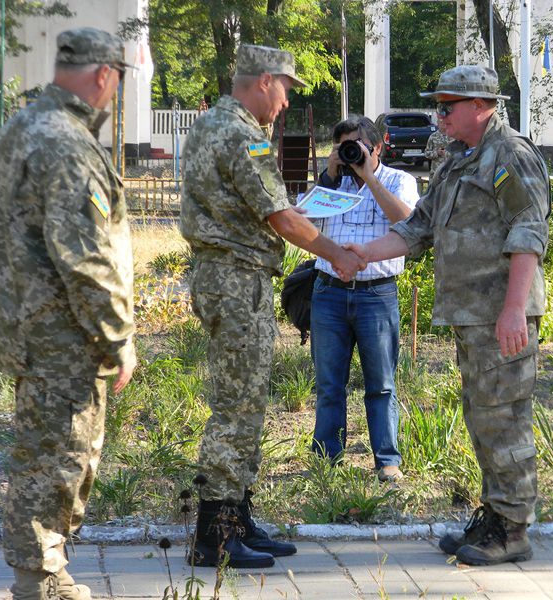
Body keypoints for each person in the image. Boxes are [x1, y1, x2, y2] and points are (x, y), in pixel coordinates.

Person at [345, 65, 550, 567]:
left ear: (481, 107)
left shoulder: (510, 155)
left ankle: (514, 529)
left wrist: (513, 310)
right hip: (469, 315)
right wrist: (361, 254)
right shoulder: (458, 160)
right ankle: (495, 516)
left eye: (448, 106)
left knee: (505, 420)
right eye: (438, 106)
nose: (440, 116)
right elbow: (417, 227)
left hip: (499, 315)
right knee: (484, 418)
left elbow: (529, 234)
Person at [179, 44, 365, 570]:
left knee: (248, 400)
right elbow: (280, 218)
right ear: (264, 81)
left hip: (231, 276)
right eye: (286, 89)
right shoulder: (241, 134)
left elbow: (262, 210)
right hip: (237, 281)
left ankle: (237, 518)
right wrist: (335, 255)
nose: (286, 103)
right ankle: (215, 534)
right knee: (238, 406)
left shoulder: (210, 125)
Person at [0, 27, 136, 599]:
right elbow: (85, 256)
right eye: (118, 80)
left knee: (41, 453)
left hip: (26, 328)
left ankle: (45, 572)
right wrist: (118, 337)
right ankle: (39, 581)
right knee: (61, 459)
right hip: (61, 336)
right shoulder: (67, 142)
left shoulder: (21, 127)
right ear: (104, 75)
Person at [310, 116, 419, 482]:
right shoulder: (332, 184)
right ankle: (326, 460)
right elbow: (304, 221)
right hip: (329, 293)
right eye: (344, 146)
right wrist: (328, 175)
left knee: (382, 382)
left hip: (377, 293)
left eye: (357, 145)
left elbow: (409, 222)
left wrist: (369, 177)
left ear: (377, 146)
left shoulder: (399, 180)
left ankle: (387, 460)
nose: (351, 152)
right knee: (328, 383)